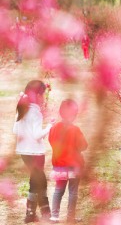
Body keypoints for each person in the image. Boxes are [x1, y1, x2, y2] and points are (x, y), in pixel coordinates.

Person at [13, 80, 52, 223]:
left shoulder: (21, 108)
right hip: (36, 153)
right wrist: (49, 127)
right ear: (37, 95)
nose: (43, 98)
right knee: (40, 181)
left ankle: (33, 214)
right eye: (42, 95)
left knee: (36, 180)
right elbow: (37, 135)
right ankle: (43, 214)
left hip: (24, 152)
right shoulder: (35, 112)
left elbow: (15, 130)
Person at [48, 99, 88, 223]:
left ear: (60, 112)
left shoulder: (54, 128)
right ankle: (70, 217)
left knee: (58, 190)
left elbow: (51, 141)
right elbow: (83, 146)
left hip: (59, 167)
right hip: (74, 166)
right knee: (73, 192)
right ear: (74, 114)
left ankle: (54, 216)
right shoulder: (75, 129)